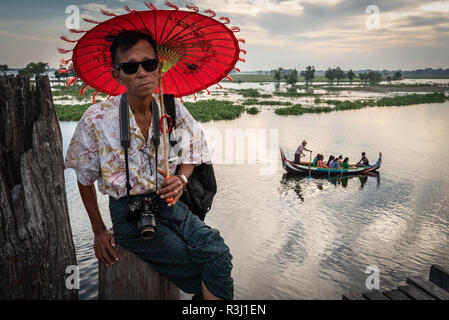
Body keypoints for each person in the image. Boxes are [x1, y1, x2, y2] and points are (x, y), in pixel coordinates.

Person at [64, 30, 233, 300]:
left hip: (168, 202)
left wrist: (182, 180)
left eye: (149, 64)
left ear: (159, 70)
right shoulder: (97, 118)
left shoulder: (171, 107)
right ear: (117, 75)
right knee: (197, 267)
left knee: (216, 250)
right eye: (131, 67)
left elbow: (195, 148)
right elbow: (84, 178)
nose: (142, 73)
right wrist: (98, 230)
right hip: (128, 213)